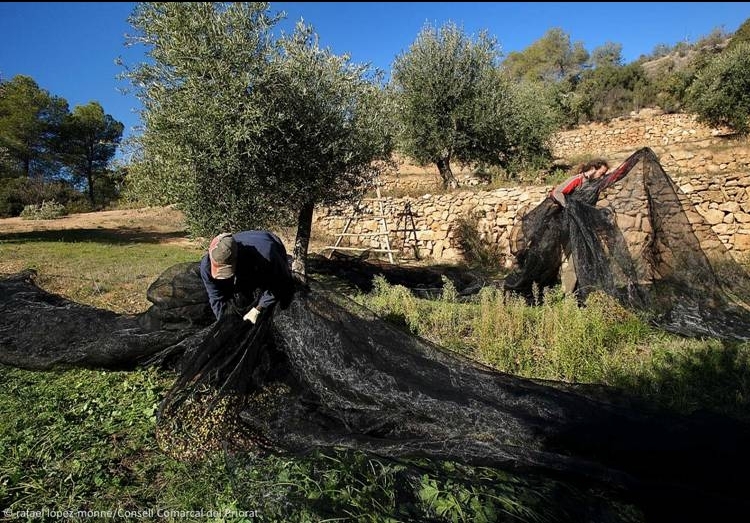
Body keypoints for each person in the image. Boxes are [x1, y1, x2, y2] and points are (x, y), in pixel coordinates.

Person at [504, 158, 609, 302]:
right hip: (560, 226)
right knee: (545, 258)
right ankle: (532, 288)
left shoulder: (591, 186)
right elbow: (556, 193)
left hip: (576, 227)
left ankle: (569, 294)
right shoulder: (576, 180)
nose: (602, 177)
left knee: (576, 259)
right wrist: (570, 205)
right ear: (593, 169)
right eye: (601, 173)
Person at [200, 230, 295, 323]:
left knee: (282, 296)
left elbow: (280, 282)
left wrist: (259, 308)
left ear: (236, 259)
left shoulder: (267, 256)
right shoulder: (206, 266)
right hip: (245, 258)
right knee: (243, 291)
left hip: (269, 245)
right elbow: (215, 297)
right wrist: (223, 323)